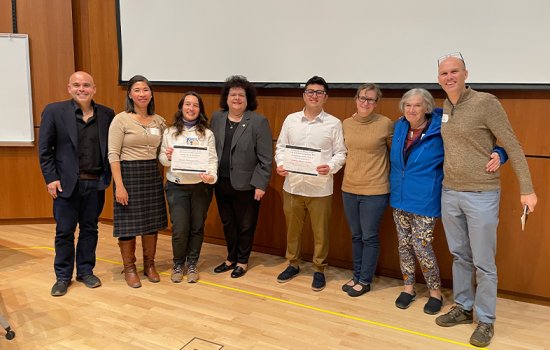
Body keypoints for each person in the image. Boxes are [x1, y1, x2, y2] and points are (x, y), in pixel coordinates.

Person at [434, 53, 537, 347]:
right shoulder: (444, 106)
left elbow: (512, 145)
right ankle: (464, 308)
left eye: (454, 71)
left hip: (481, 194)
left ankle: (486, 320)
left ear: (466, 73)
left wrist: (526, 188)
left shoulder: (485, 103)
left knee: (484, 263)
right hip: (450, 192)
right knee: (460, 256)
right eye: (444, 73)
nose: (449, 77)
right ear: (438, 78)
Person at [38, 71, 114, 296]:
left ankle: (85, 271)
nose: (82, 89)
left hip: (95, 184)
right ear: (69, 88)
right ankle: (62, 276)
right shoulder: (54, 111)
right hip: (65, 185)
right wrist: (51, 178)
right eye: (77, 85)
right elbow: (45, 150)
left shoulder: (107, 115)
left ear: (94, 89)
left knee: (90, 229)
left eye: (87, 85)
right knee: (64, 231)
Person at [275, 76, 347, 292]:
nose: (314, 95)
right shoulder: (291, 120)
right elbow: (281, 147)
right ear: (304, 95)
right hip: (293, 185)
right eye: (310, 91)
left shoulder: (334, 123)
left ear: (325, 97)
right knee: (293, 230)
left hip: (320, 188)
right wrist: (280, 164)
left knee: (320, 232)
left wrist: (331, 166)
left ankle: (319, 269)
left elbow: (341, 153)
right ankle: (293, 264)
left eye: (319, 92)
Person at [108, 75, 168, 288]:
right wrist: (120, 186)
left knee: (151, 224)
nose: (142, 94)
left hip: (151, 175)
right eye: (137, 90)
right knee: (127, 226)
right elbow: (113, 154)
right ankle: (130, 268)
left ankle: (149, 265)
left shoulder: (159, 121)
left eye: (145, 90)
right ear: (130, 94)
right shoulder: (121, 119)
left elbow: (164, 153)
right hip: (128, 175)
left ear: (151, 94)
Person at [210, 75, 273, 278]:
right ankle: (230, 258)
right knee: (228, 223)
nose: (237, 98)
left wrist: (261, 184)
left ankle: (243, 261)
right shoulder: (217, 118)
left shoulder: (258, 121)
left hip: (248, 185)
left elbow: (266, 159)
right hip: (221, 182)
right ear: (226, 98)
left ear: (248, 99)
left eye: (241, 95)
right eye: (233, 94)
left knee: (246, 225)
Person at [159, 91, 217, 283]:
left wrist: (211, 177)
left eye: (195, 105)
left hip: (201, 187)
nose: (191, 108)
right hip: (177, 187)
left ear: (200, 110)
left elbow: (211, 160)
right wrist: (167, 157)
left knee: (197, 227)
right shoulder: (169, 132)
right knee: (180, 228)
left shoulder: (207, 133)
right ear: (181, 107)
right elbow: (162, 160)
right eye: (187, 104)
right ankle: (178, 263)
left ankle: (192, 264)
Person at [340, 84, 392, 297]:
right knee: (356, 235)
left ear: (376, 103)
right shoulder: (346, 123)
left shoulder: (385, 124)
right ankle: (356, 275)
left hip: (376, 190)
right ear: (356, 99)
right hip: (349, 188)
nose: (365, 102)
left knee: (369, 237)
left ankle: (365, 280)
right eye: (362, 98)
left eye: (370, 99)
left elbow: (394, 155)